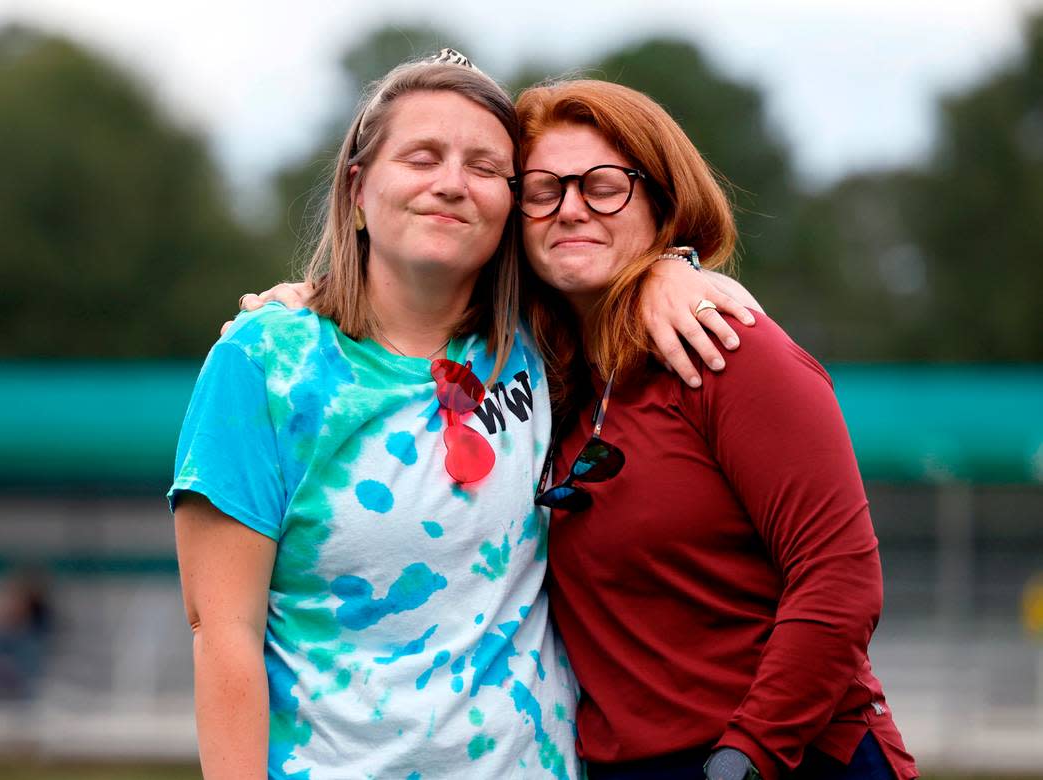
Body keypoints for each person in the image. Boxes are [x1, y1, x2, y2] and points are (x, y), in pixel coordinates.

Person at [171, 52, 756, 780]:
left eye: (485, 167)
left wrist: (674, 265)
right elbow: (223, 634)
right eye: (422, 157)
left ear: (511, 204)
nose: (452, 183)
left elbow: (619, 255)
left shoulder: (546, 344)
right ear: (358, 188)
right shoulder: (264, 364)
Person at [516, 79, 919, 779]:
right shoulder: (536, 377)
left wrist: (747, 755)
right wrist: (311, 305)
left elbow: (839, 578)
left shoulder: (727, 347)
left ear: (662, 204)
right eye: (543, 189)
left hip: (779, 756)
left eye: (603, 185)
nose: (571, 208)